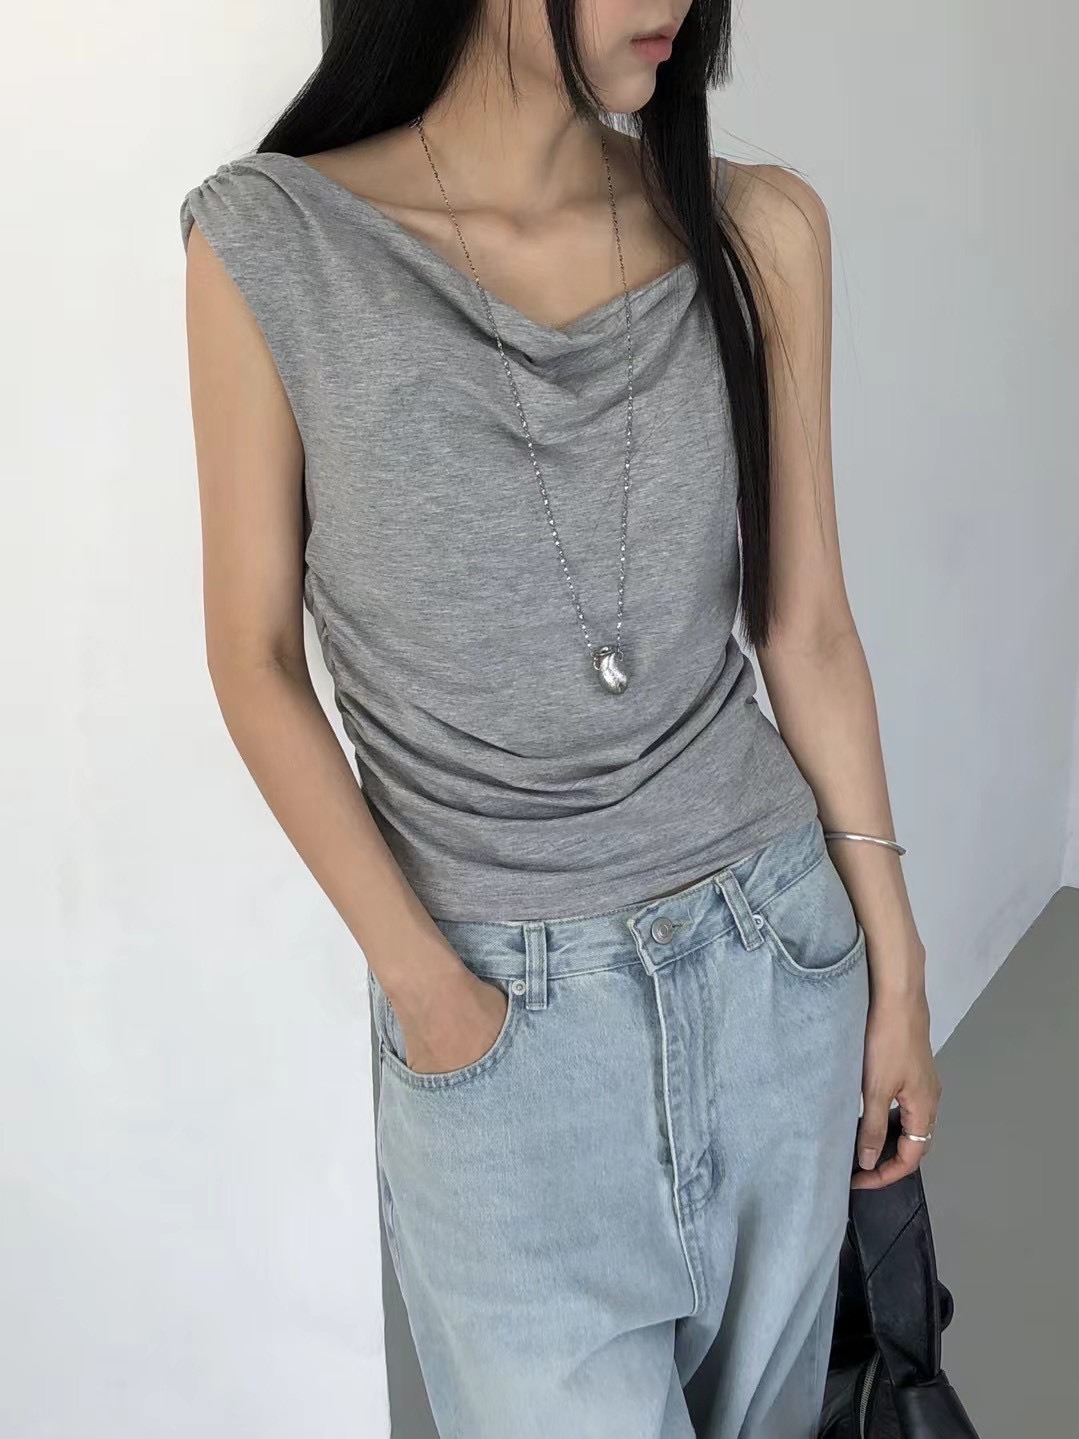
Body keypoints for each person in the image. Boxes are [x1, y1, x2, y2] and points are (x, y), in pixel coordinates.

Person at [179, 2, 942, 1435]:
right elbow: (253, 658)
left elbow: (808, 628)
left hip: (775, 961)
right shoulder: (274, 242)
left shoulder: (758, 230)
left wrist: (894, 968)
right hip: (502, 1026)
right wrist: (430, 989)